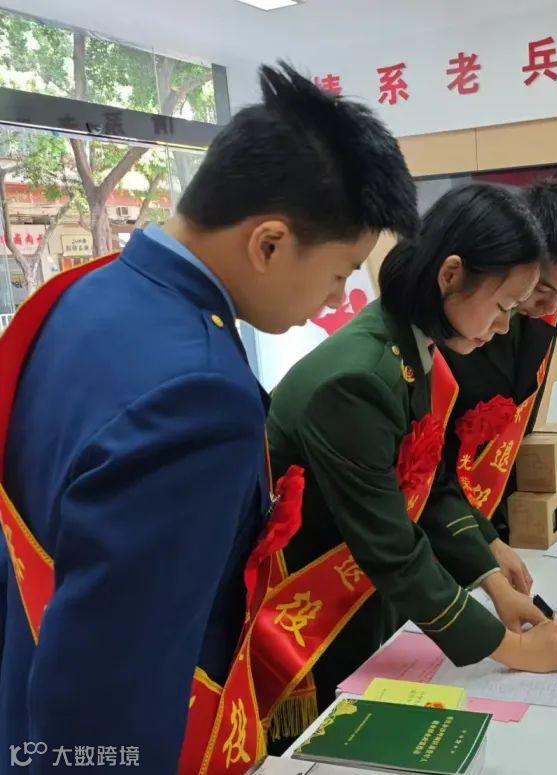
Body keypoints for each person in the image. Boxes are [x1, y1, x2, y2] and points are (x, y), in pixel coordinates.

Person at [0, 63, 417, 773]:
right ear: (269, 242)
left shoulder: (81, 297)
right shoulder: (201, 394)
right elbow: (115, 687)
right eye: (341, 271)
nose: (335, 297)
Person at [262, 183, 557, 737]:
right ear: (451, 275)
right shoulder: (358, 380)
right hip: (308, 606)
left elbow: (426, 481)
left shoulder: (411, 346)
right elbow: (391, 545)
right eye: (502, 307)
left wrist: (492, 579)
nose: (503, 327)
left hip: (359, 591)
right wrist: (514, 650)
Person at [440, 180, 557, 548]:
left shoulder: (546, 313)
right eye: (543, 289)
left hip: (496, 512)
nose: (552, 307)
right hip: (443, 516)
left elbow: (521, 410)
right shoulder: (465, 321)